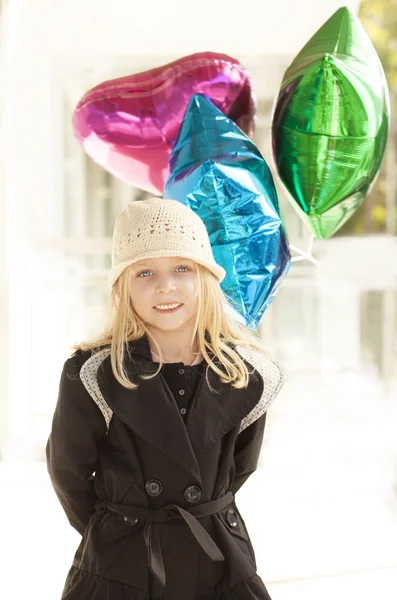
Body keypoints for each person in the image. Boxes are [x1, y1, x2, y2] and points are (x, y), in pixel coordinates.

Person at [46, 197, 284, 600]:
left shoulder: (247, 373)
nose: (165, 286)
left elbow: (238, 467)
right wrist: (117, 529)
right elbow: (68, 473)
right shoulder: (92, 372)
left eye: (182, 268)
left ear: (205, 276)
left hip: (218, 560)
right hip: (120, 564)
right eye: (145, 272)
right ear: (123, 285)